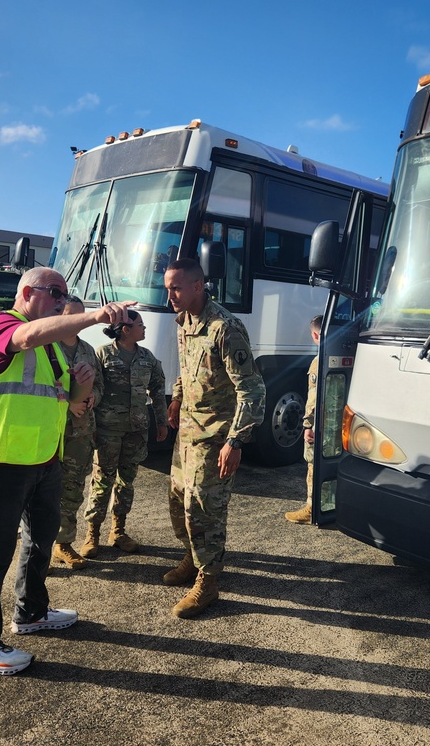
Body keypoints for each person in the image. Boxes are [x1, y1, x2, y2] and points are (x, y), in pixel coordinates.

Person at [0, 266, 133, 676]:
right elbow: (24, 337)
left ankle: (32, 612)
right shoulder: (0, 324)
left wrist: (84, 386)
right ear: (25, 292)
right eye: (53, 292)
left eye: (64, 293)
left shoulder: (52, 350)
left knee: (41, 540)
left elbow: (71, 402)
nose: (60, 298)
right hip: (0, 459)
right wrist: (94, 316)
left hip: (42, 459)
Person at [162, 258, 265, 618]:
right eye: (167, 287)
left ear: (197, 285)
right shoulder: (183, 321)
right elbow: (186, 368)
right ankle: (192, 558)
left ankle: (208, 582)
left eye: (175, 287)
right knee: (177, 500)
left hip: (215, 437)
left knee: (204, 510)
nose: (169, 294)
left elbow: (251, 390)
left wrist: (236, 441)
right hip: (187, 433)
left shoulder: (225, 328)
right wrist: (176, 398)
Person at [79, 309, 169, 558]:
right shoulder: (102, 354)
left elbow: (158, 391)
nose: (144, 329)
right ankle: (92, 534)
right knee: (102, 481)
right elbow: (94, 390)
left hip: (136, 430)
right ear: (126, 330)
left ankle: (118, 531)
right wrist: (92, 427)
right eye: (140, 325)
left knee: (126, 482)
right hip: (108, 430)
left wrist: (162, 423)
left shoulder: (147, 358)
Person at [52, 296, 104, 570]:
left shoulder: (87, 350)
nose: (77, 322)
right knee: (42, 491)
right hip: (53, 431)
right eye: (72, 315)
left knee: (72, 489)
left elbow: (99, 385)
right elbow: (41, 385)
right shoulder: (47, 347)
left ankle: (63, 544)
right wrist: (68, 402)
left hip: (82, 432)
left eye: (81, 316)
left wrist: (92, 396)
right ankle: (37, 549)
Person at [285, 315, 322, 525]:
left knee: (312, 464)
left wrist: (307, 425)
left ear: (315, 335)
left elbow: (313, 398)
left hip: (320, 425)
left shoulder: (318, 361)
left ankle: (311, 508)